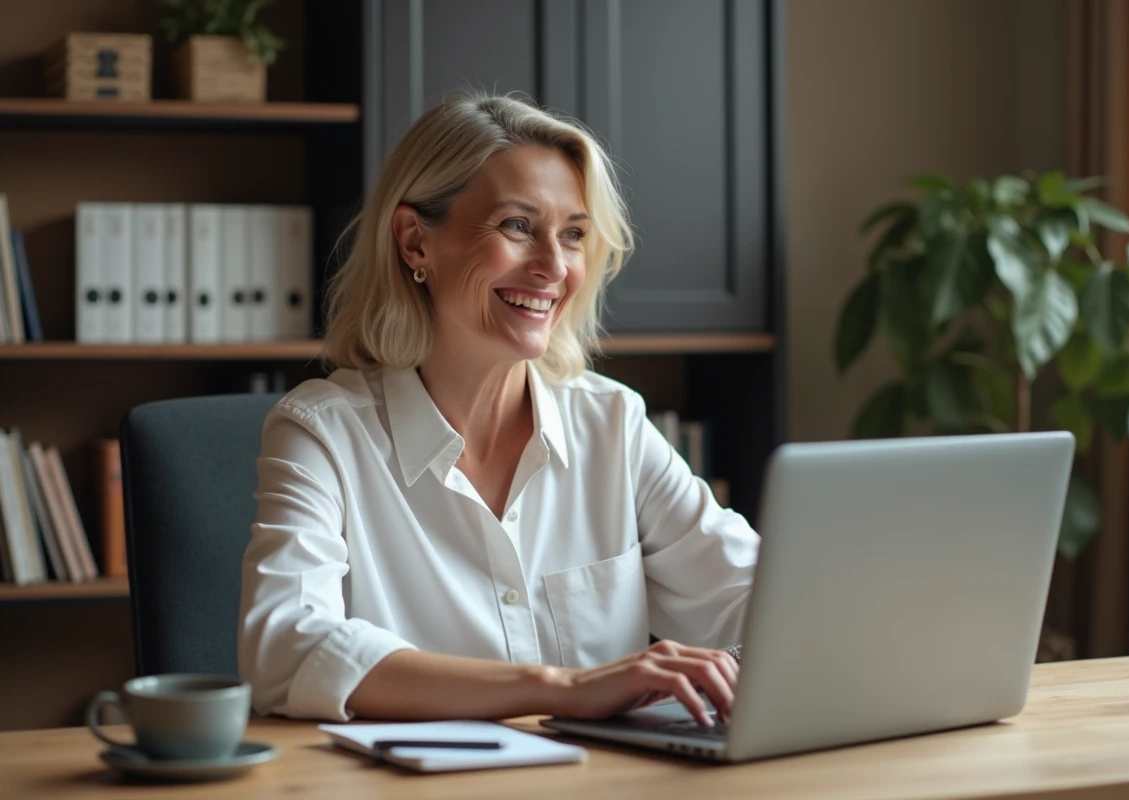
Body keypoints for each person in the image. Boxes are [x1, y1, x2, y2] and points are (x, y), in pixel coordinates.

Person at [237, 91, 760, 729]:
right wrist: (563, 688)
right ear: (414, 243)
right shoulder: (321, 435)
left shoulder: (613, 425)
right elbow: (287, 649)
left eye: (572, 235)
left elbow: (763, 600)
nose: (553, 267)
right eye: (517, 227)